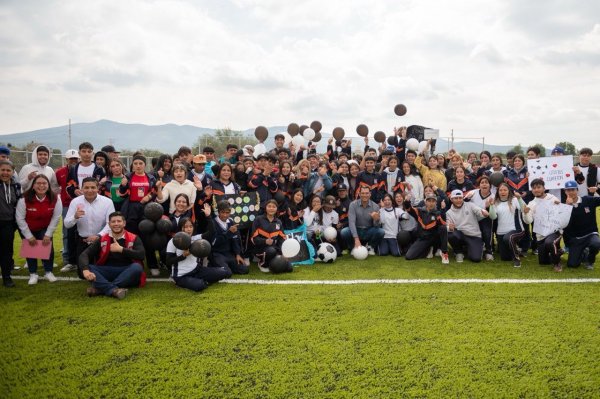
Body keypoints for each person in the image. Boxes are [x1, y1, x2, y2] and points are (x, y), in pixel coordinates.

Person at [78, 211, 145, 299]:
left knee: (137, 267)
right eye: (113, 222)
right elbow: (84, 254)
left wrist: (121, 250)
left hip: (126, 270)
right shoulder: (102, 239)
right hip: (107, 271)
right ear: (109, 224)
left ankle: (101, 289)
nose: (116, 224)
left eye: (119, 221)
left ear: (124, 223)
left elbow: (141, 255)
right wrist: (85, 270)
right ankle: (113, 289)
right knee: (88, 267)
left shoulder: (134, 237)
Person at [16, 174, 62, 285]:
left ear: (48, 185)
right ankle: (33, 274)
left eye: (44, 183)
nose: (41, 185)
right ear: (33, 186)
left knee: (47, 248)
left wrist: (48, 234)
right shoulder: (24, 199)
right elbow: (20, 218)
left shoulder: (55, 198)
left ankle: (48, 272)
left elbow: (56, 217)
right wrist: (29, 236)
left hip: (45, 227)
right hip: (28, 228)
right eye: (38, 183)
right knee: (31, 249)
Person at [63, 177, 115, 277]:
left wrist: (98, 236)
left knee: (102, 271)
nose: (89, 190)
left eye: (93, 187)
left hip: (101, 240)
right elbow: (67, 224)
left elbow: (111, 223)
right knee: (82, 275)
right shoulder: (75, 202)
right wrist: (75, 217)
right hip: (83, 241)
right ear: (82, 188)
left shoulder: (107, 202)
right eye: (86, 187)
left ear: (98, 188)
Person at [165, 216, 231, 292]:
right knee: (200, 285)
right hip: (182, 276)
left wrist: (208, 216)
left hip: (197, 270)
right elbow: (168, 261)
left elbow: (211, 232)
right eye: (185, 227)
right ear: (181, 228)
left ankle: (197, 280)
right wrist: (183, 256)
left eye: (190, 226)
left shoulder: (195, 238)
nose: (189, 229)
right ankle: (185, 282)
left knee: (223, 272)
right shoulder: (174, 241)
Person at [522, 179, 563, 271]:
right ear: (531, 190)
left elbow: (562, 213)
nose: (536, 190)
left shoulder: (553, 198)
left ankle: (557, 264)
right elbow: (528, 221)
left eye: (539, 187)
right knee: (543, 262)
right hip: (540, 235)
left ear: (544, 188)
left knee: (550, 242)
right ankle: (558, 252)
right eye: (534, 188)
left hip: (554, 232)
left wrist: (559, 205)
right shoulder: (531, 204)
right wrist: (525, 213)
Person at [488, 183, 529, 267]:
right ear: (498, 192)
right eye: (500, 190)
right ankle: (516, 249)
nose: (503, 192)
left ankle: (516, 259)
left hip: (516, 230)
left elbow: (524, 209)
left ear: (509, 191)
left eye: (505, 190)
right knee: (505, 258)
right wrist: (491, 205)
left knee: (509, 238)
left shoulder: (514, 200)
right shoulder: (495, 202)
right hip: (501, 233)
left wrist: (519, 198)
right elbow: (493, 216)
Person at [563, 180, 600, 269]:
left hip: (590, 234)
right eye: (568, 190)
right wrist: (568, 206)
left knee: (596, 244)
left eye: (573, 189)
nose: (571, 192)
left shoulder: (588, 200)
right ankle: (584, 252)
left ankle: (590, 261)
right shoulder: (563, 206)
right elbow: (564, 224)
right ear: (565, 191)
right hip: (576, 238)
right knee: (572, 265)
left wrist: (597, 190)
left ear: (577, 190)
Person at [403, 193, 449, 263]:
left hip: (434, 238)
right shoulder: (419, 211)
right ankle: (429, 250)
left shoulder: (438, 213)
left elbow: (444, 224)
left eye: (433, 201)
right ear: (425, 202)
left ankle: (444, 253)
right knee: (408, 256)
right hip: (423, 238)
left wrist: (443, 210)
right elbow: (409, 209)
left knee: (443, 228)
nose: (431, 203)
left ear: (436, 203)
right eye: (429, 201)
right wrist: (407, 201)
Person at [445, 189, 489, 263]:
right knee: (451, 234)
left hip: (474, 235)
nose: (458, 200)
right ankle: (458, 252)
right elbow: (446, 227)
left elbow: (479, 211)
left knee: (475, 259)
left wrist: (483, 212)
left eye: (460, 198)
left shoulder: (470, 205)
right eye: (456, 198)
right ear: (451, 199)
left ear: (463, 198)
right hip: (461, 235)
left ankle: (478, 246)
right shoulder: (448, 213)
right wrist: (449, 227)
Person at [340, 186, 385, 255]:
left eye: (367, 193)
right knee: (344, 232)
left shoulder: (375, 206)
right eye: (363, 193)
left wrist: (376, 219)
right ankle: (352, 247)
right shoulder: (353, 204)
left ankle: (370, 246)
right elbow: (351, 222)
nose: (365, 195)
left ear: (370, 194)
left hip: (368, 230)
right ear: (359, 194)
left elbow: (377, 226)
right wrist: (356, 239)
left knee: (381, 232)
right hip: (357, 229)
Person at [250, 199, 292, 273]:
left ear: (276, 209)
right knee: (271, 251)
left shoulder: (278, 222)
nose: (271, 208)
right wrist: (264, 241)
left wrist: (282, 252)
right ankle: (262, 264)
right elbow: (253, 238)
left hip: (274, 249)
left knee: (289, 268)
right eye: (269, 206)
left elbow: (282, 238)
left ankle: (271, 263)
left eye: (274, 207)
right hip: (260, 249)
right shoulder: (258, 219)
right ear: (265, 208)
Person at [56, 149, 80, 272]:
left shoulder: (80, 170)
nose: (74, 161)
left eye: (75, 159)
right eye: (71, 159)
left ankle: (79, 258)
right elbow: (54, 187)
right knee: (67, 232)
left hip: (81, 204)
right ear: (67, 160)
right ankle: (67, 258)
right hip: (66, 205)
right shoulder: (60, 172)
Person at [210, 201, 248, 275]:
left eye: (227, 213)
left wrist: (237, 254)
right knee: (227, 273)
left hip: (228, 254)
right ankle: (212, 264)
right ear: (218, 212)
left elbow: (235, 239)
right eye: (222, 212)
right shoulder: (212, 223)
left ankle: (226, 266)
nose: (225, 215)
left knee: (244, 269)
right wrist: (228, 233)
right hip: (217, 253)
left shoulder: (230, 222)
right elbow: (214, 243)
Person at [0, 160, 21, 287]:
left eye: (8, 170)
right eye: (3, 170)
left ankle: (7, 277)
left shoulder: (16, 186)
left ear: (13, 172)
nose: (5, 173)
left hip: (8, 223)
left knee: (7, 251)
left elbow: (18, 204)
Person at [464, 175, 495, 260]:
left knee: (487, 232)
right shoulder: (473, 193)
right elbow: (463, 204)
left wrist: (489, 207)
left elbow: (493, 214)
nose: (484, 184)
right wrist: (467, 198)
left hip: (486, 218)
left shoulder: (493, 196)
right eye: (482, 183)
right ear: (479, 185)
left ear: (490, 185)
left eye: (486, 183)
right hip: (472, 218)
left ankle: (489, 251)